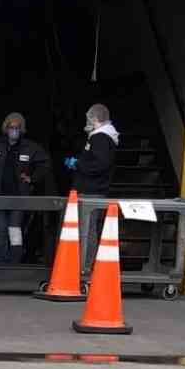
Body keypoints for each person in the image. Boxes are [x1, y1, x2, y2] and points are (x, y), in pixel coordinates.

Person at [0, 111, 51, 265]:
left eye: (17, 127)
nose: (14, 130)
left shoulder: (30, 147)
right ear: (6, 128)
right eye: (11, 127)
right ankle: (1, 262)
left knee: (14, 229)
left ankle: (15, 261)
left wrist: (32, 178)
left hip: (19, 197)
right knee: (1, 230)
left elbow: (45, 163)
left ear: (22, 129)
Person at [63, 101, 120, 277]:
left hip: (91, 190)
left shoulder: (99, 138)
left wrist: (78, 164)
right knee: (88, 229)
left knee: (87, 231)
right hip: (94, 189)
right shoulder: (103, 137)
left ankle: (84, 267)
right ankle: (84, 265)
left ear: (95, 118)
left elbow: (100, 164)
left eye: (89, 118)